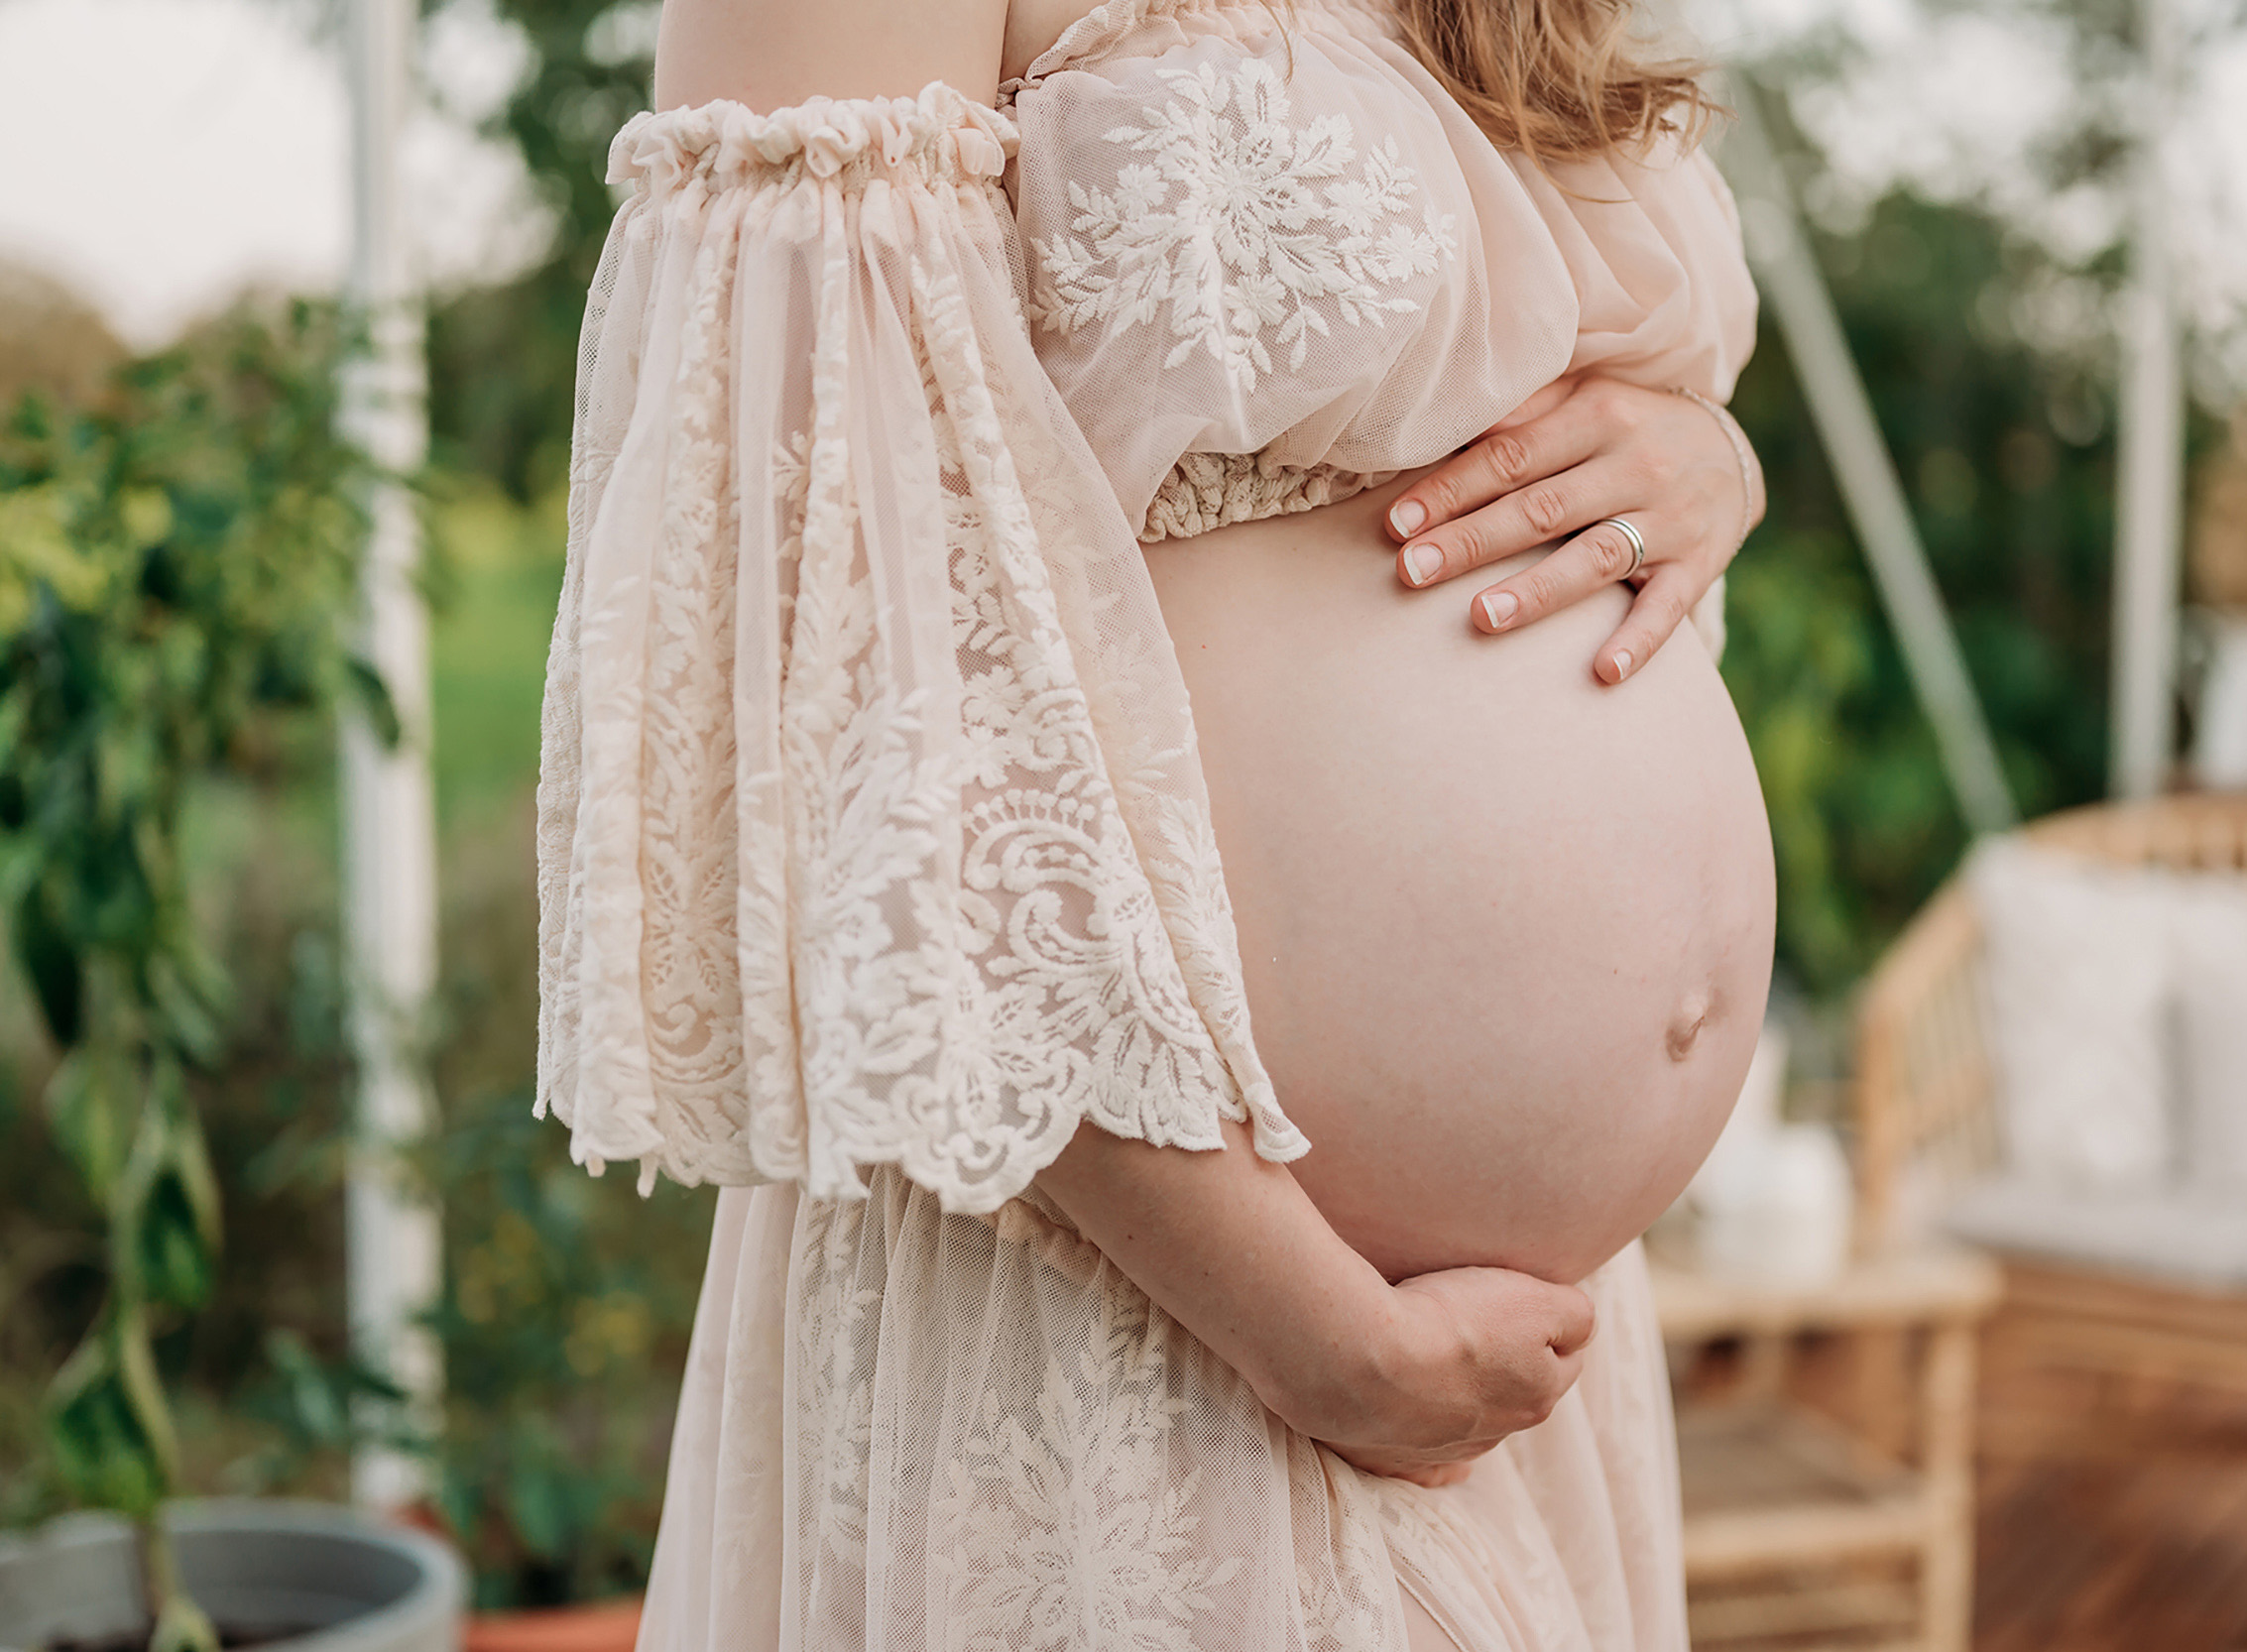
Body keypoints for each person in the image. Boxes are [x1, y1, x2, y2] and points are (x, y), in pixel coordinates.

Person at [533, 0, 1775, 1645]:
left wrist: (1709, 457)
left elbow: (1569, 387)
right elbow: (814, 644)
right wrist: (1308, 1325)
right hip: (1139, 1314)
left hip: (1513, 1365)